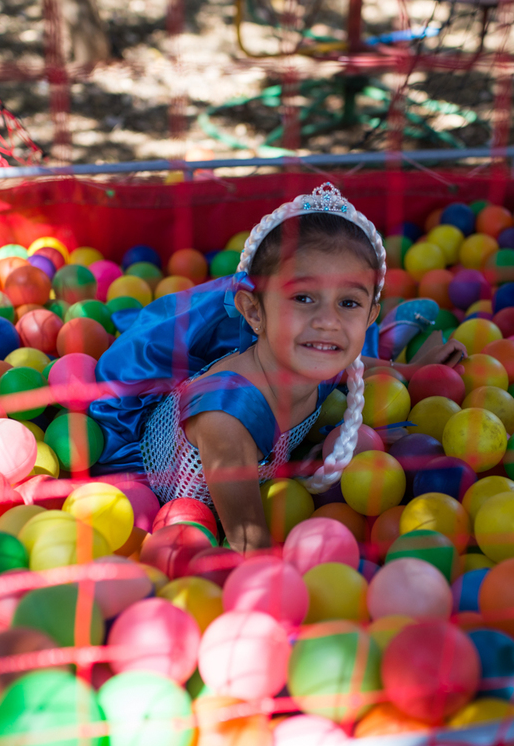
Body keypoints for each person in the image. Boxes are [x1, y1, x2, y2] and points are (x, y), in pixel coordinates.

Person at [89, 183, 465, 551]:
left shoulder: (314, 360)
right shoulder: (228, 416)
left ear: (369, 315)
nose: (328, 322)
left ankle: (387, 338)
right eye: (303, 297)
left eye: (349, 303)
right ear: (254, 311)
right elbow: (248, 542)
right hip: (161, 511)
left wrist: (414, 373)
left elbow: (354, 363)